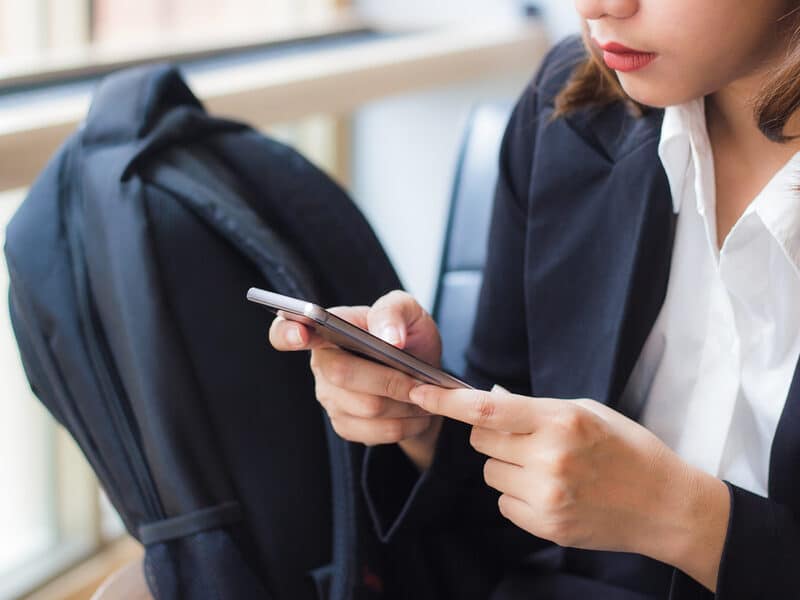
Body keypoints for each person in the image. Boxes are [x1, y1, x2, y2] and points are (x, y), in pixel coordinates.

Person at [270, 1, 800, 598]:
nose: (596, 6)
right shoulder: (572, 106)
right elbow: (495, 510)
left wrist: (688, 520)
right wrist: (425, 415)